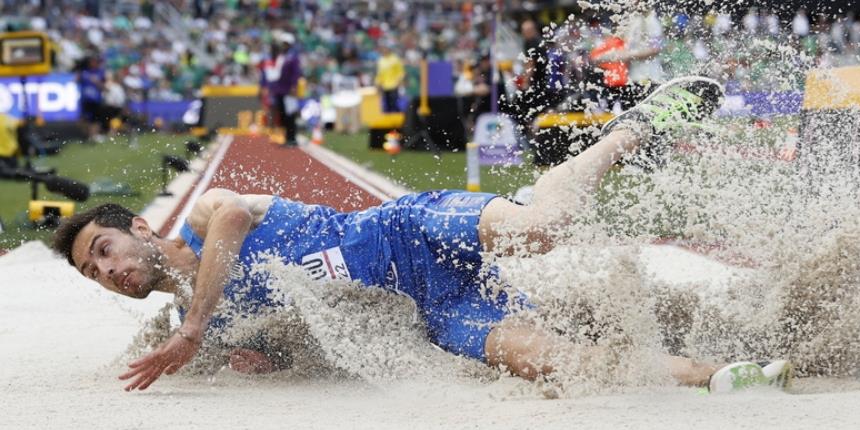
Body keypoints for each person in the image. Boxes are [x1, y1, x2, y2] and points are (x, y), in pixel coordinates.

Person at [51, 77, 792, 393]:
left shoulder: (209, 213)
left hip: (404, 230)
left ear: (141, 229)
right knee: (552, 363)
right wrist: (234, 353)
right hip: (429, 309)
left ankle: (632, 129)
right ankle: (724, 378)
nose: (108, 271)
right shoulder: (194, 325)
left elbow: (238, 225)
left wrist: (194, 331)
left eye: (104, 251)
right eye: (94, 273)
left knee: (544, 228)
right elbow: (286, 343)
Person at [261, 31, 302, 147]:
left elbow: (295, 73)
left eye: (285, 44)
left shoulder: (292, 57)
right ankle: (287, 137)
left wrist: (294, 86)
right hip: (280, 90)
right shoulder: (282, 56)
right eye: (282, 43)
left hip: (288, 90)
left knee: (290, 115)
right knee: (283, 114)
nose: (283, 46)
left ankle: (292, 138)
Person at [373, 44, 405, 113]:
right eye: (383, 49)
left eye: (386, 48)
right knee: (386, 105)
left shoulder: (395, 59)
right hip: (385, 86)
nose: (384, 50)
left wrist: (399, 81)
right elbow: (379, 74)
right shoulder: (381, 60)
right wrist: (377, 83)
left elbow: (400, 72)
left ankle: (397, 121)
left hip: (394, 85)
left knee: (394, 104)